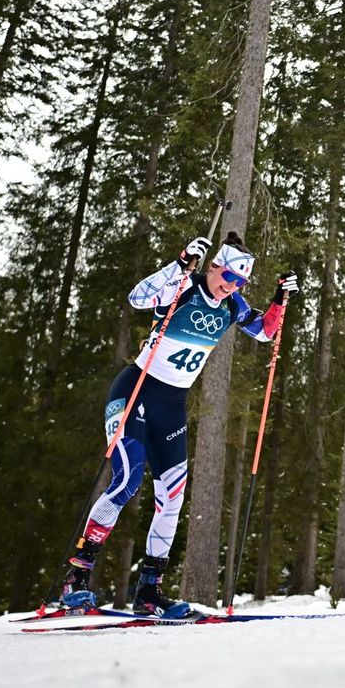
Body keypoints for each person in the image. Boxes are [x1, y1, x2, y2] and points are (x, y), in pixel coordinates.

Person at [56, 231, 297, 617]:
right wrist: (181, 262)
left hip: (171, 404)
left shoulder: (232, 305)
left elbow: (265, 331)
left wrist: (280, 298)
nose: (231, 287)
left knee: (172, 497)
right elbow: (138, 298)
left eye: (240, 282)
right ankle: (77, 576)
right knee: (127, 479)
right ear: (215, 266)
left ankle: (149, 590)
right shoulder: (183, 287)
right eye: (228, 277)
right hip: (135, 390)